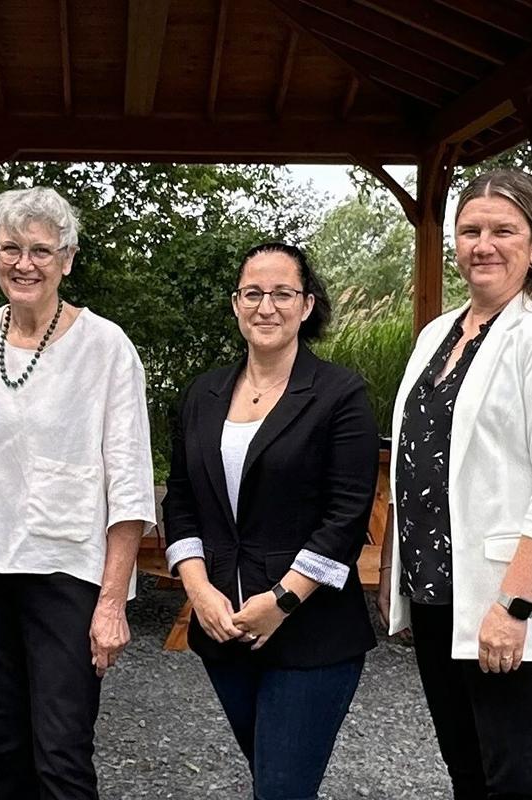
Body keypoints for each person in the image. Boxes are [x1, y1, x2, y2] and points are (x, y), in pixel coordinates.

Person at [379, 169, 532, 800]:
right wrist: (398, 578)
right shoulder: (435, 335)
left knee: (521, 786)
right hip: (439, 600)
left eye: (504, 230)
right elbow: (418, 462)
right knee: (470, 779)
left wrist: (514, 606)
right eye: (470, 229)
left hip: (512, 608)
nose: (484, 244)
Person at [0, 186, 156, 800]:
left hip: (67, 570)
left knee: (60, 750)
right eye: (10, 248)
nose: (24, 263)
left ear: (67, 258)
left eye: (40, 249)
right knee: (5, 746)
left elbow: (131, 479)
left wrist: (113, 602)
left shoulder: (106, 346)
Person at [162, 242, 381, 799]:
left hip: (310, 631)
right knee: (273, 782)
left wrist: (281, 601)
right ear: (236, 304)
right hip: (224, 627)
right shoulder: (202, 394)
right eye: (253, 293)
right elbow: (181, 501)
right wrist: (199, 591)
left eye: (282, 293)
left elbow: (346, 517)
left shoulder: (340, 394)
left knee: (281, 790)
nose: (266, 306)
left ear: (306, 305)